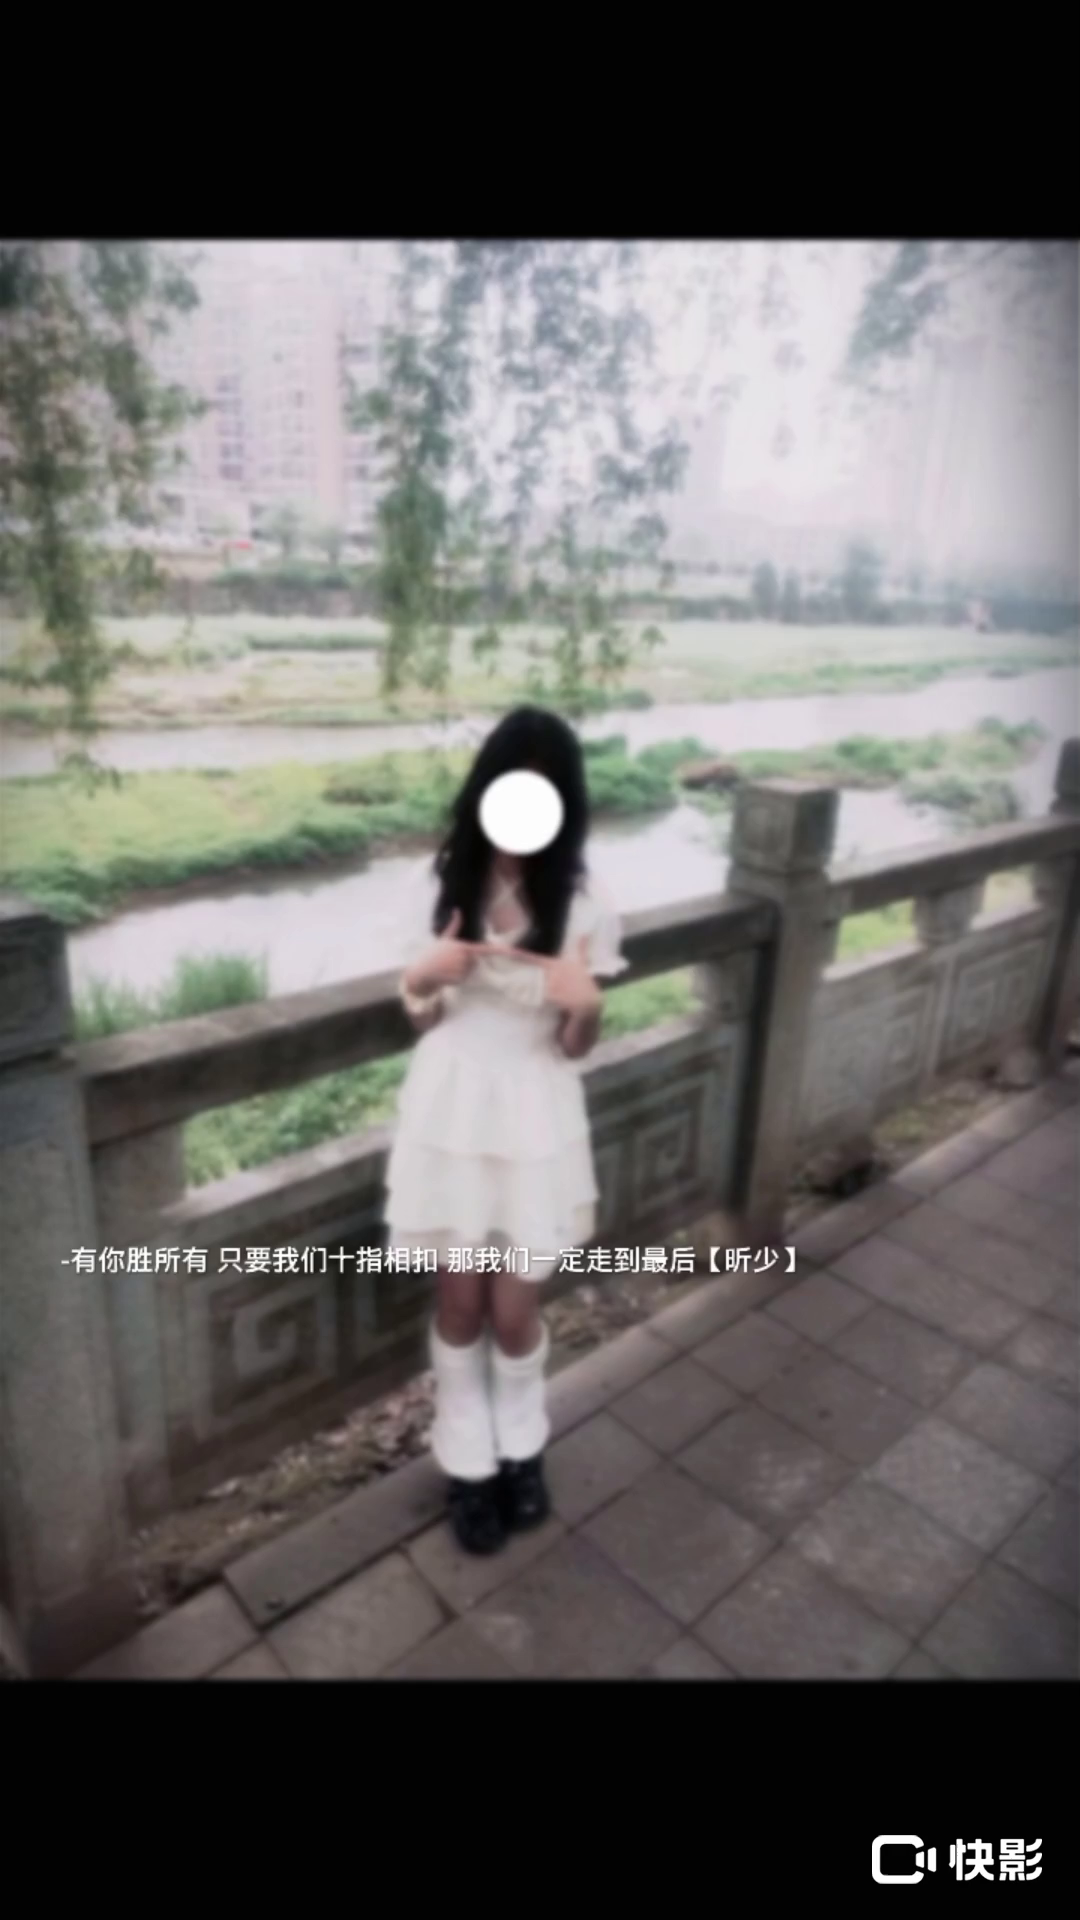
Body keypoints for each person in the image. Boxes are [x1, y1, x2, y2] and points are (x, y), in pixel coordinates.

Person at [385, 707, 627, 1554]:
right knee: (460, 1301)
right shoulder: (439, 883)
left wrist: (587, 1006)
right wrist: (423, 975)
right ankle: (467, 1460)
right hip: (451, 1107)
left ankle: (522, 1446)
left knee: (514, 1307)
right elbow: (424, 1017)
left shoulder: (586, 901)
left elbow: (572, 1047)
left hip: (535, 1111)